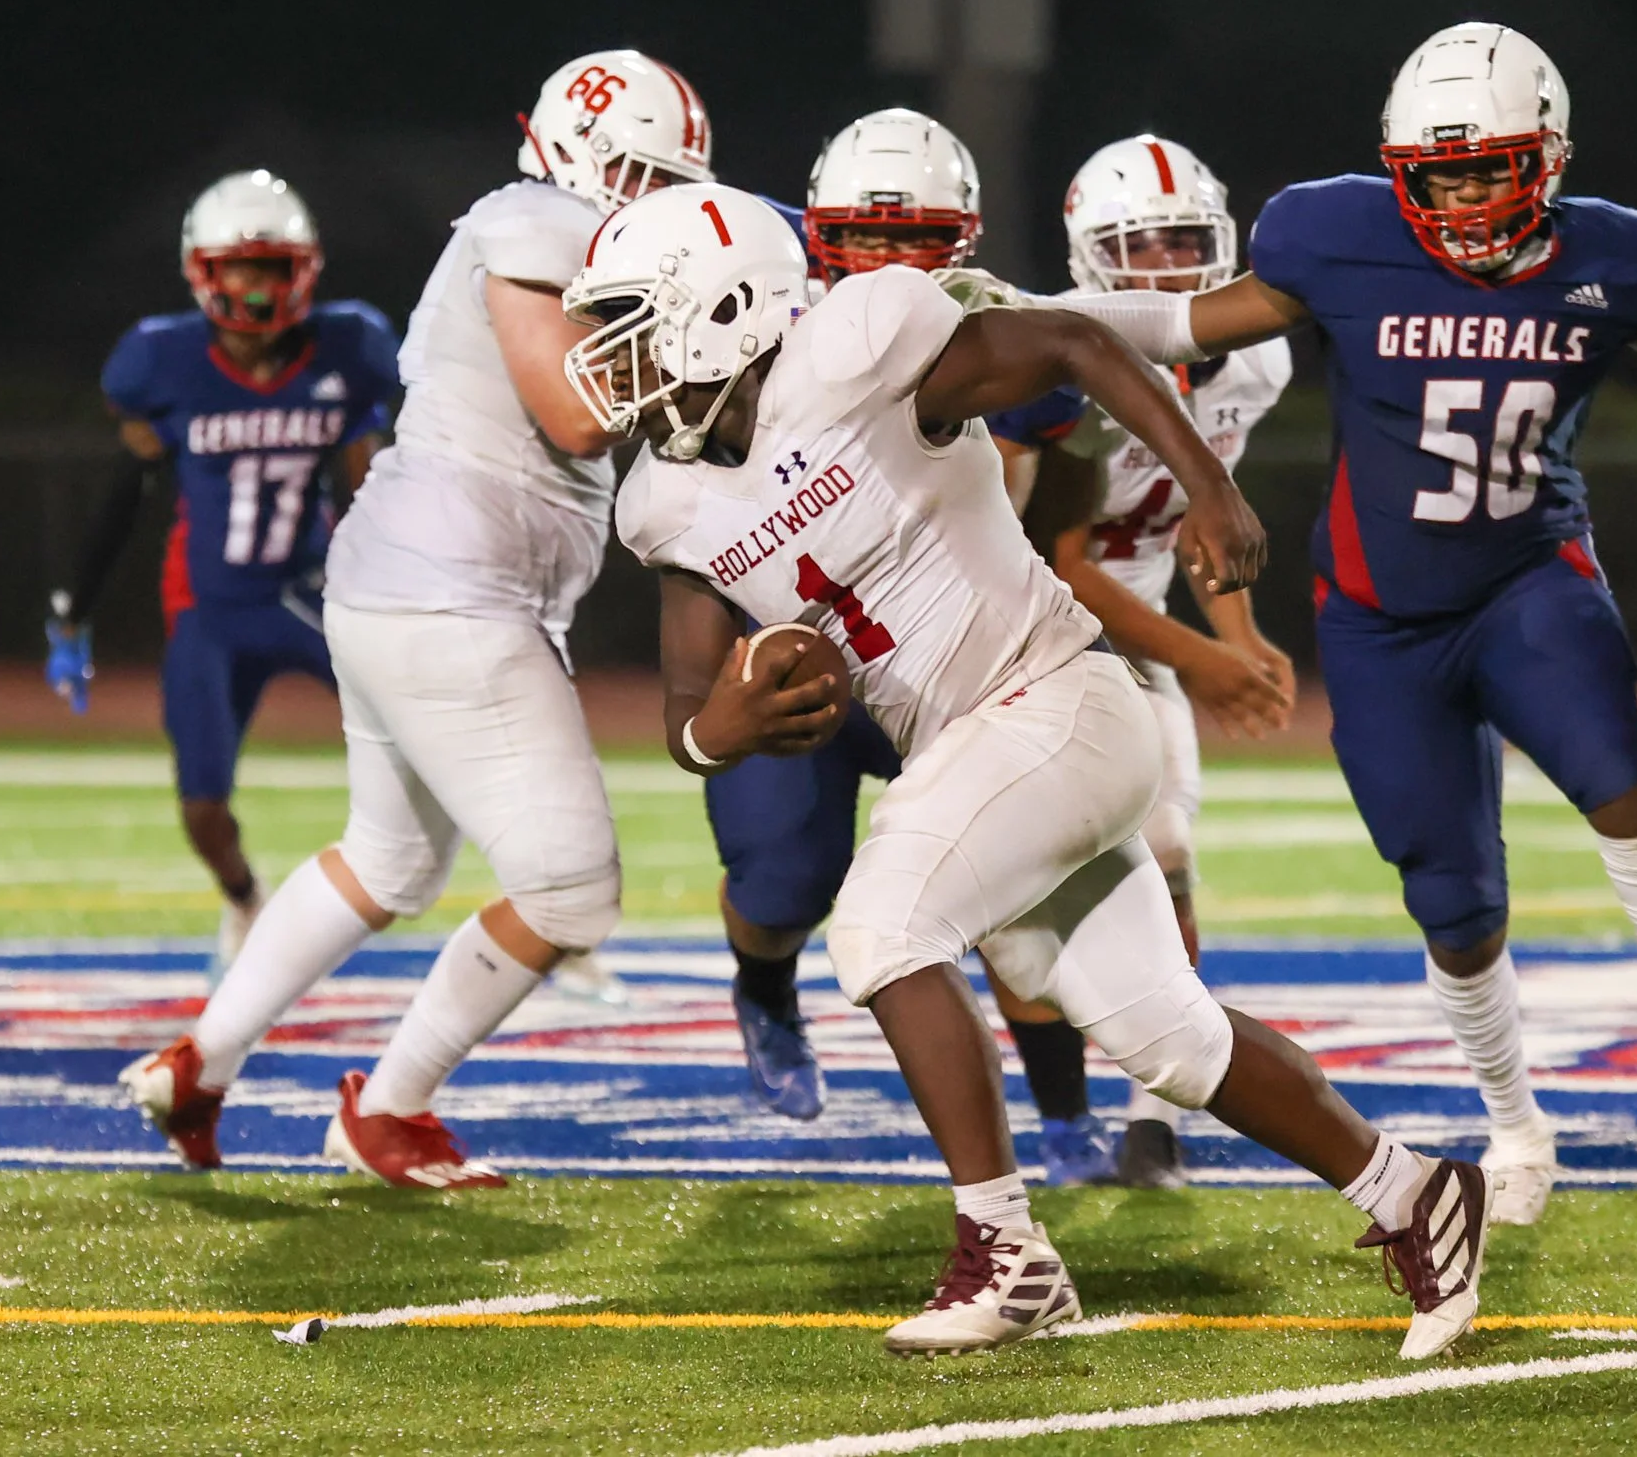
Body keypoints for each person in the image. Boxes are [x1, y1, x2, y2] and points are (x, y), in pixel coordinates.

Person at [1015, 21, 1637, 1225]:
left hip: (1528, 578)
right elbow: (1170, 326)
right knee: (1451, 900)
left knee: (1615, 779)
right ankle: (1514, 1124)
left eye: (1488, 170)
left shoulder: (1615, 258)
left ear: (1547, 157)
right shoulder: (1332, 238)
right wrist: (985, 329)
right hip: (1379, 622)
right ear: (1399, 173)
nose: (1464, 199)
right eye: (1438, 176)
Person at [568, 182, 1490, 1359]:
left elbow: (1069, 341)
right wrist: (729, 727)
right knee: (1170, 1039)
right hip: (977, 755)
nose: (614, 358)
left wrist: (1208, 486)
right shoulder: (663, 500)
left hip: (1056, 697)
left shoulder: (855, 348)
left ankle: (1004, 1253)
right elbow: (685, 713)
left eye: (631, 323)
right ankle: (1414, 1191)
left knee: (881, 925)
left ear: (720, 308)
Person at [118, 49, 715, 1187]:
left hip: (414, 582)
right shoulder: (534, 217)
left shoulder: (561, 227)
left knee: (386, 860)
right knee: (571, 890)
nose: (657, 204)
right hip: (455, 592)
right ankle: (389, 1106)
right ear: (582, 156)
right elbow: (577, 417)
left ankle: (201, 1063)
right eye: (645, 177)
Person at [703, 108, 1108, 1193]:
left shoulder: (997, 341)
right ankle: (764, 985)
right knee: (785, 883)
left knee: (1011, 887)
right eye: (862, 241)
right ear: (816, 240)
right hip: (800, 662)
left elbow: (1067, 454)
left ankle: (1065, 1115)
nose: (886, 267)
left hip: (947, 659)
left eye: (914, 243)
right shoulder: (754, 336)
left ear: (961, 244)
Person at [972, 134, 1297, 1190]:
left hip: (1141, 627)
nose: (1166, 266)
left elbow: (1198, 521)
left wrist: (1238, 634)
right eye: (1139, 246)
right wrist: (1202, 658)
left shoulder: (1255, 359)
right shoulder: (1062, 364)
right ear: (1089, 257)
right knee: (1014, 907)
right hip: (1019, 632)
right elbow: (1055, 559)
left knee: (1167, 852)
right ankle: (1063, 1117)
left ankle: (1155, 1120)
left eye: (1184, 241)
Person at [48, 171, 396, 980]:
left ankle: (540, 902)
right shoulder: (159, 362)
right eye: (240, 268)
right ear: (202, 271)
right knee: (202, 806)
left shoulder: (348, 349)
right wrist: (74, 609)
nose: (257, 287)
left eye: (272, 267)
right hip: (207, 607)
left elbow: (372, 489)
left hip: (310, 593)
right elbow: (127, 491)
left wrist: (396, 594)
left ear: (302, 269)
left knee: (428, 732)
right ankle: (245, 900)